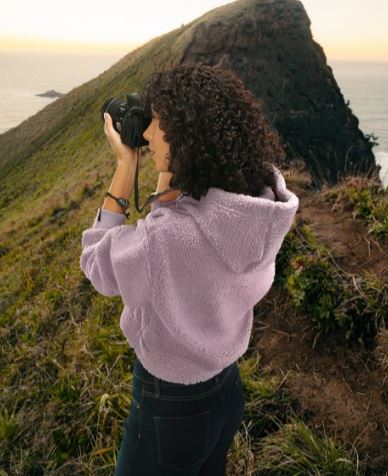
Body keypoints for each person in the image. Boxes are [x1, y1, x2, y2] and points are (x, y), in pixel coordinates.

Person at [80, 63, 299, 475]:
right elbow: (186, 209)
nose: (146, 134)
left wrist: (126, 167)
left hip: (170, 406)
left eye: (156, 124)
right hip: (225, 391)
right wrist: (173, 162)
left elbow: (96, 263)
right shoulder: (252, 205)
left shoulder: (167, 242)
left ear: (185, 138)